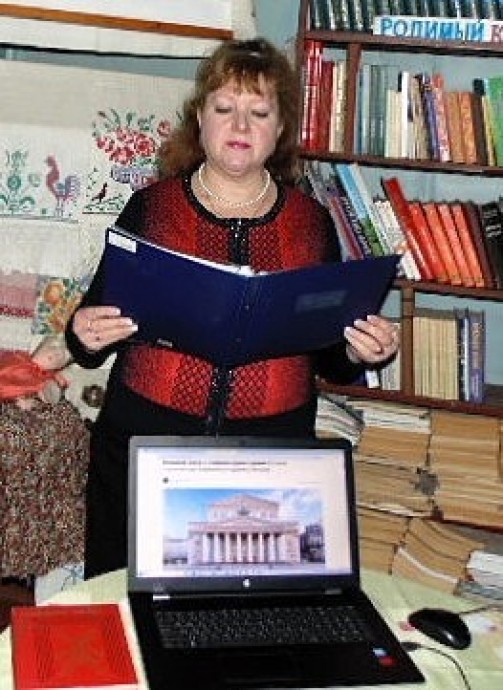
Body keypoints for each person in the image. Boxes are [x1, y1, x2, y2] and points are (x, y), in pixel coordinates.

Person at [65, 37, 400, 579]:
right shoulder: (150, 208)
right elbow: (89, 334)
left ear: (280, 128)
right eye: (224, 108)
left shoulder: (312, 223)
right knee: (129, 608)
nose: (240, 125)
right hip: (145, 447)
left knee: (248, 612)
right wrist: (82, 334)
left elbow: (330, 356)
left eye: (259, 112)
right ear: (200, 119)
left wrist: (364, 350)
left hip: (271, 457)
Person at [0, 335, 71, 410]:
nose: (56, 354)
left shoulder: (45, 376)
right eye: (53, 347)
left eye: (61, 357)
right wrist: (18, 399)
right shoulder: (21, 360)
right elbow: (6, 377)